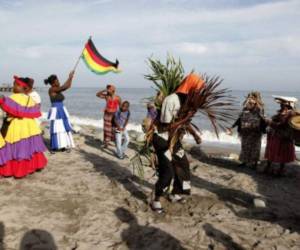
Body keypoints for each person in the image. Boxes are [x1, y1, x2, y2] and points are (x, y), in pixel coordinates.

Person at [151, 73, 205, 213]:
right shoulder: (171, 100)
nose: (197, 93)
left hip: (174, 140)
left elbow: (185, 122)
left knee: (183, 165)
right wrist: (185, 118)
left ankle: (175, 193)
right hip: (162, 139)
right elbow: (165, 126)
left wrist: (195, 135)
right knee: (167, 171)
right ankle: (156, 199)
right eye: (196, 89)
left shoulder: (186, 103)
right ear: (190, 87)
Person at [0, 76, 47, 178]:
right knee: (31, 147)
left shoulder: (12, 98)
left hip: (16, 126)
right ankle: (36, 166)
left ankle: (17, 171)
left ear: (21, 87)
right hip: (31, 127)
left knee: (17, 147)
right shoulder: (29, 99)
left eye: (15, 85)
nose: (13, 87)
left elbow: (6, 108)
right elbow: (35, 111)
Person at [228, 92, 266, 169]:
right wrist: (232, 126)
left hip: (255, 131)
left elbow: (263, 119)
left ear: (256, 99)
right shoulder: (245, 108)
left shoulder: (259, 109)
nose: (249, 99)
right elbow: (239, 119)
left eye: (252, 98)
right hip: (245, 131)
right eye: (249, 98)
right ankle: (244, 161)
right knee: (245, 146)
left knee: (255, 147)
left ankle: (254, 163)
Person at [264, 96, 297, 176]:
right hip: (276, 135)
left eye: (283, 104)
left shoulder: (291, 114)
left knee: (282, 153)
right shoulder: (282, 112)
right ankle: (269, 167)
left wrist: (269, 122)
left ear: (288, 105)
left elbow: (281, 125)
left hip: (284, 137)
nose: (281, 105)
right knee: (272, 150)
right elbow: (277, 121)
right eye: (281, 104)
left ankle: (280, 170)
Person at [45, 71, 75, 153]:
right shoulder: (52, 89)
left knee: (62, 127)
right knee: (57, 127)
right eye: (57, 80)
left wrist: (71, 78)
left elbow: (67, 86)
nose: (59, 81)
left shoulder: (57, 89)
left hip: (61, 108)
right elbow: (65, 87)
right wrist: (70, 77)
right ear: (53, 83)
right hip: (56, 110)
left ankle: (63, 145)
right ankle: (55, 146)